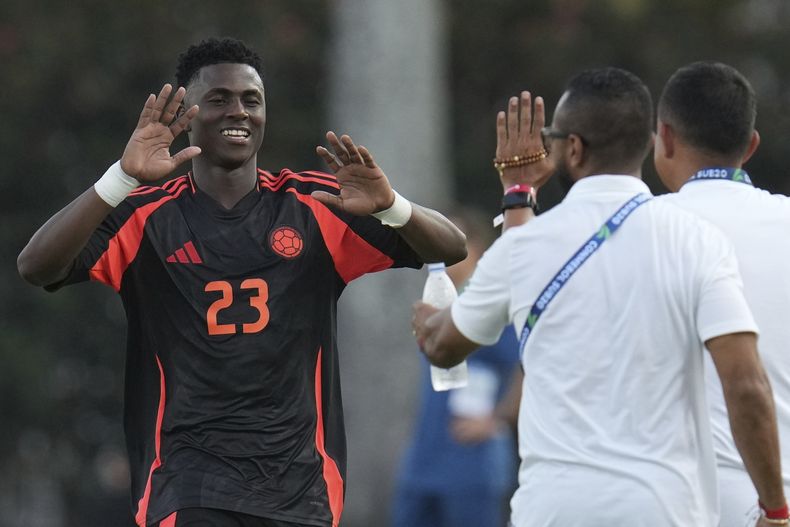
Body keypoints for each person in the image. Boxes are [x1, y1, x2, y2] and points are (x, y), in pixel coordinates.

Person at [16, 37, 466, 527]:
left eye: (252, 100)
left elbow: (450, 248)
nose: (240, 112)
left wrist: (392, 206)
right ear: (188, 114)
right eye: (220, 99)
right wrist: (120, 178)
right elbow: (37, 266)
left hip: (299, 484)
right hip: (187, 480)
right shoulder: (145, 216)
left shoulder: (313, 206)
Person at [411, 67, 787, 526]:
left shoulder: (530, 244)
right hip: (669, 504)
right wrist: (775, 506)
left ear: (573, 148)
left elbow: (446, 343)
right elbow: (745, 383)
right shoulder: (692, 238)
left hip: (552, 509)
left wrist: (518, 195)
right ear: (649, 143)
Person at [655, 61, 790, 526]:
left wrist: (520, 194)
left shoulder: (638, 228)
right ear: (750, 146)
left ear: (665, 138)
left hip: (688, 502)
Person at [391, 207, 521, 527]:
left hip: (473, 465)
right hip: (424, 461)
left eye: (452, 247)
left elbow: (528, 366)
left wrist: (497, 420)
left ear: (476, 250)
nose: (443, 257)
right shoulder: (436, 301)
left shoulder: (493, 305)